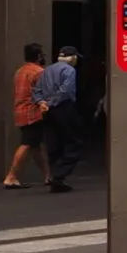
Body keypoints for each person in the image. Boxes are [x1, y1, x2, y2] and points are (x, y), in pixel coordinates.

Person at [33, 46, 83, 193]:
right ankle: (59, 176)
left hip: (48, 112)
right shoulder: (69, 70)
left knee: (53, 142)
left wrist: (42, 102)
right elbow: (65, 90)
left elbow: (37, 90)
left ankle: (55, 175)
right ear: (72, 57)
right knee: (74, 142)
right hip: (64, 108)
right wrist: (51, 102)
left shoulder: (47, 70)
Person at [2, 43, 49, 188]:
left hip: (20, 111)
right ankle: (11, 176)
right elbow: (43, 93)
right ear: (39, 56)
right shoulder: (39, 72)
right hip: (33, 113)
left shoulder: (20, 71)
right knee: (27, 143)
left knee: (35, 146)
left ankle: (48, 176)